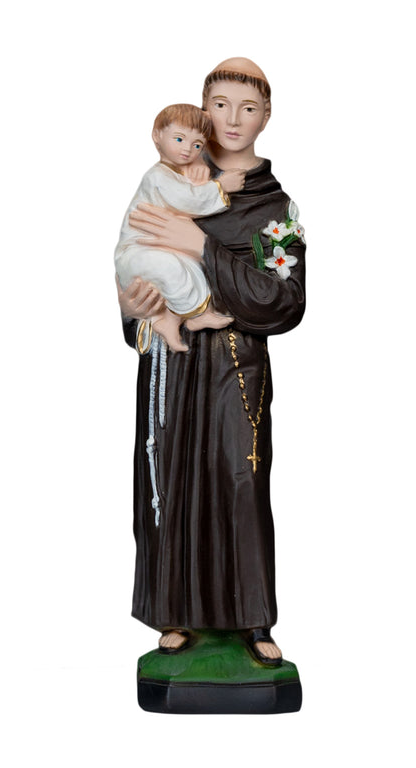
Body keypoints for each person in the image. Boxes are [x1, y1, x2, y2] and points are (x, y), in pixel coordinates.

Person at [118, 58, 305, 665]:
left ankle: (252, 619)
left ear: (266, 115)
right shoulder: (167, 179)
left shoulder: (272, 208)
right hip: (172, 366)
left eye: (247, 107)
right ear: (202, 109)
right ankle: (175, 611)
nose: (232, 119)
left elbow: (283, 300)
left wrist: (200, 244)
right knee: (169, 479)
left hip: (234, 367)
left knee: (239, 481)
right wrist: (136, 309)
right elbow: (136, 260)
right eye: (219, 105)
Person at [114, 104, 245, 351]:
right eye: (179, 139)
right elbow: (187, 200)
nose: (187, 149)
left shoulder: (179, 173)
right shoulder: (157, 176)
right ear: (157, 135)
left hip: (157, 251)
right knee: (171, 270)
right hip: (137, 253)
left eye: (197, 145)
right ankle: (192, 314)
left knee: (189, 271)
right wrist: (221, 187)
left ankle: (175, 320)